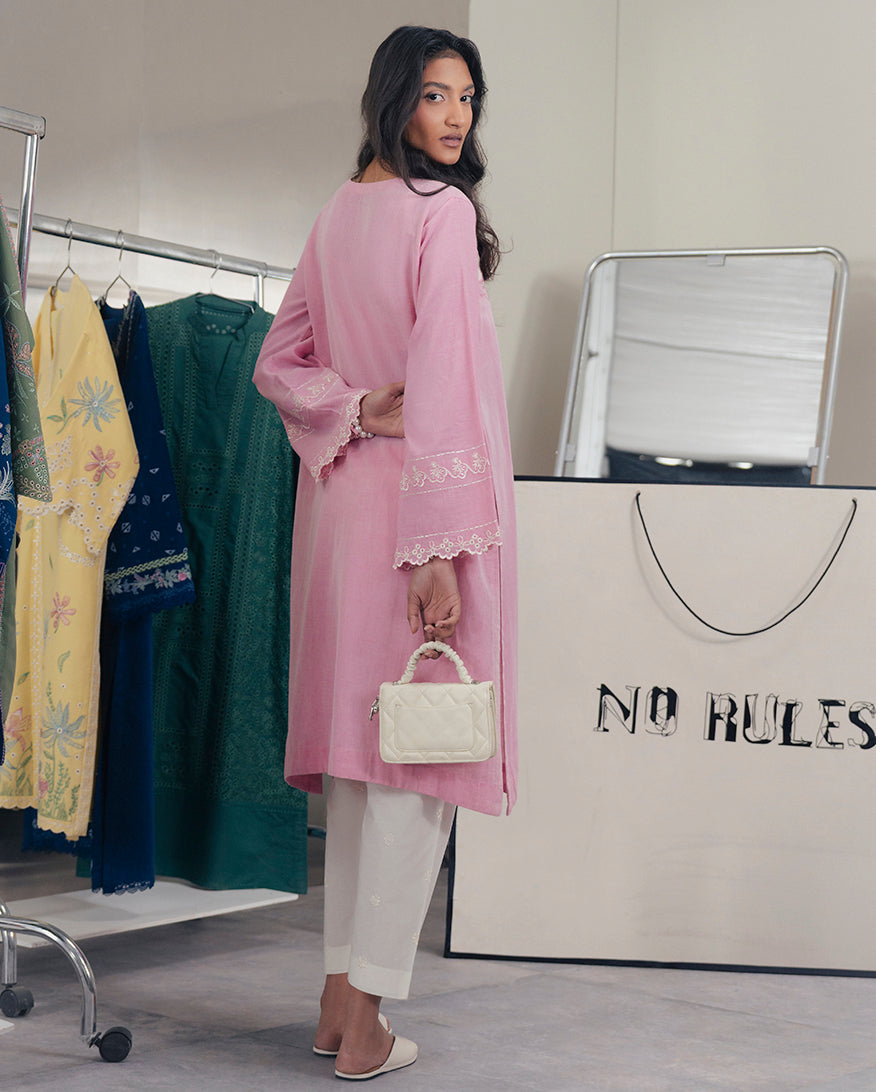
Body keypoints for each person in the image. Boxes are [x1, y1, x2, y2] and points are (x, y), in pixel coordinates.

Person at [253, 24, 517, 1081]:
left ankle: (334, 1003)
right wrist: (440, 551)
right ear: (395, 96)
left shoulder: (336, 213)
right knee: (417, 766)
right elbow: (445, 379)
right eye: (437, 95)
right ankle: (367, 1026)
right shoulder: (437, 212)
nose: (455, 116)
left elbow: (281, 364)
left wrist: (353, 407)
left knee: (367, 766)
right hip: (419, 517)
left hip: (342, 514)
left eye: (468, 98)